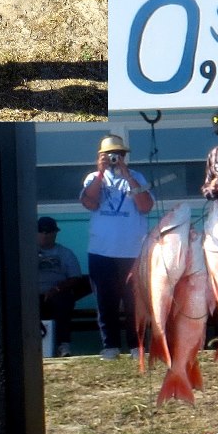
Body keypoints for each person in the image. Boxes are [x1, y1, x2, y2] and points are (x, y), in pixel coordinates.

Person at [80, 133, 152, 360]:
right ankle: (109, 345)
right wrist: (101, 173)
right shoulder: (93, 177)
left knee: (134, 302)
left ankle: (136, 345)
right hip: (102, 251)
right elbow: (89, 203)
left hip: (133, 251)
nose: (115, 158)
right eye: (110, 155)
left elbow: (145, 206)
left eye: (119, 155)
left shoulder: (137, 176)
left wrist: (128, 175)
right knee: (105, 301)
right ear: (100, 157)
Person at [36, 216, 88, 357]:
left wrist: (56, 290)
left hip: (58, 293)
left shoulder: (65, 253)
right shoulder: (25, 252)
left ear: (55, 233)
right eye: (41, 231)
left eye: (49, 231)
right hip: (31, 295)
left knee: (64, 301)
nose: (45, 235)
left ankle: (63, 345)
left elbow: (75, 277)